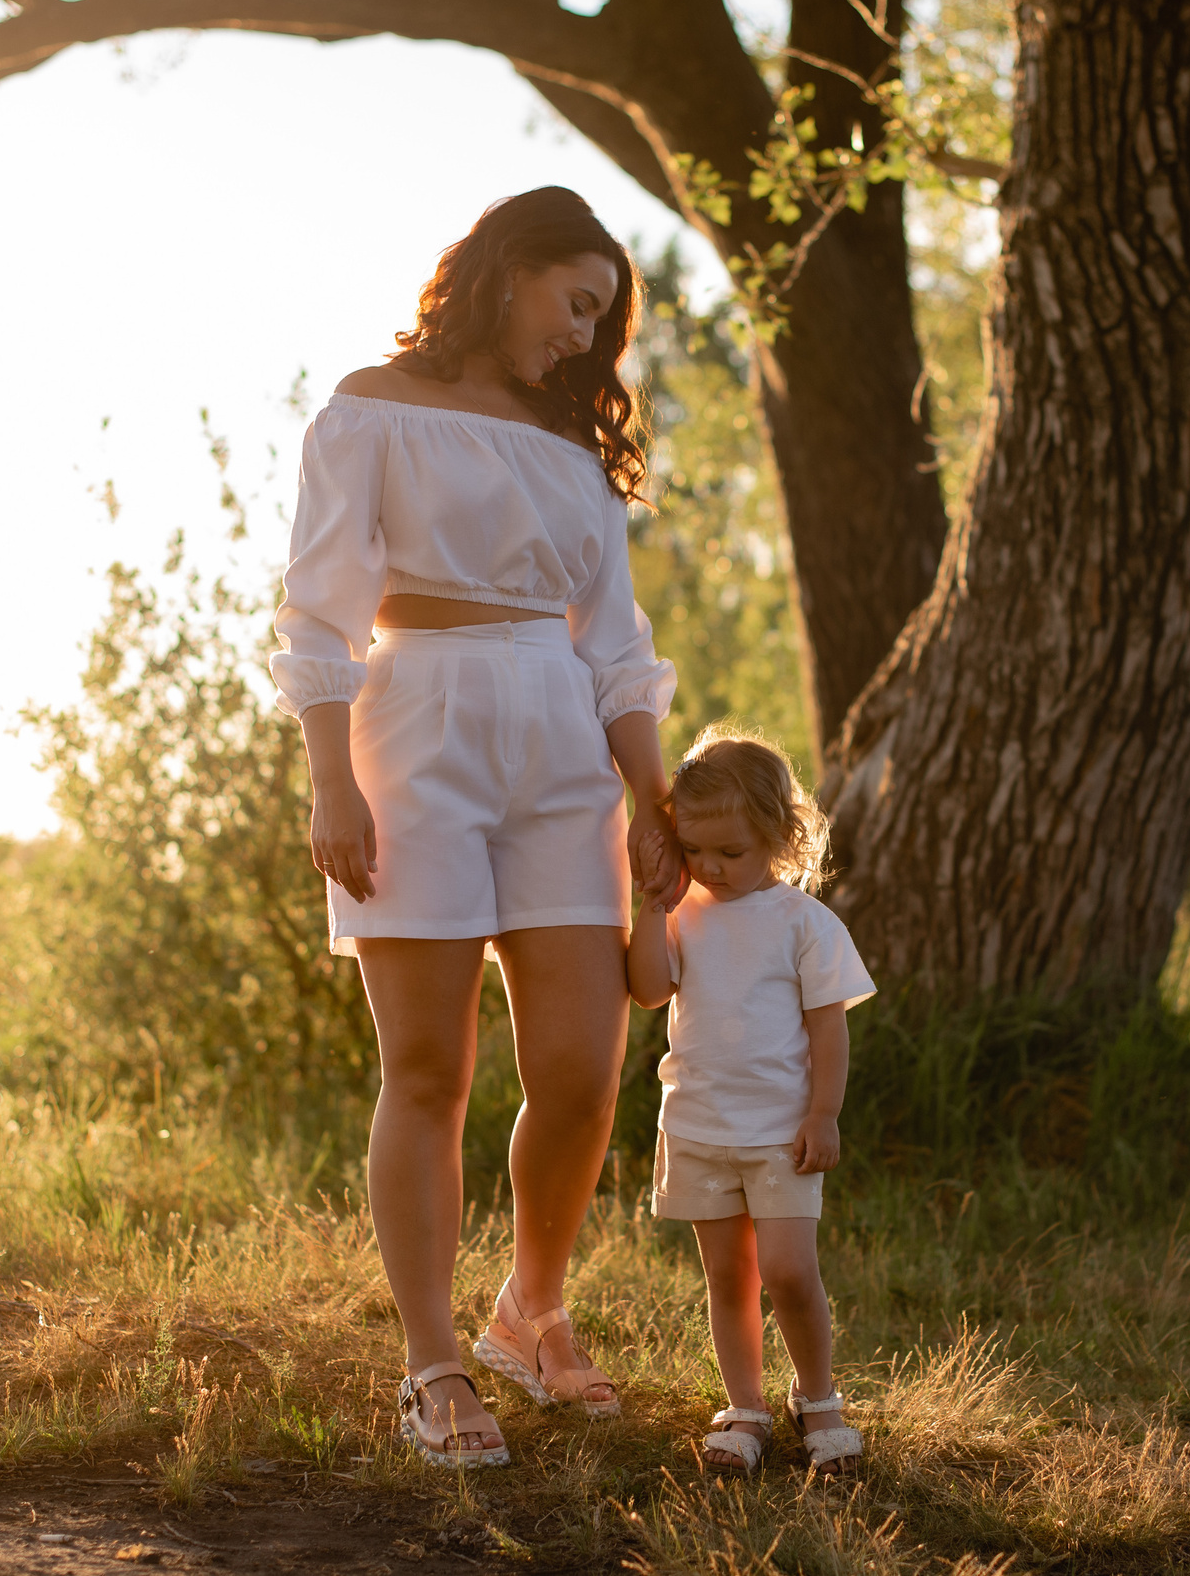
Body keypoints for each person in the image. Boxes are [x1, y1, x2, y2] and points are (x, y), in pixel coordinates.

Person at [270, 187, 684, 1469]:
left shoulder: (572, 449)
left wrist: (653, 801)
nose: (584, 339)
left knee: (579, 1070)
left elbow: (615, 645)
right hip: (416, 741)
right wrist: (331, 780)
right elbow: (321, 609)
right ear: (508, 272)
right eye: (576, 304)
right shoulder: (371, 406)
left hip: (562, 750)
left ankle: (531, 1306)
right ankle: (432, 1362)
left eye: (601, 321)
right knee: (430, 1072)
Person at [626, 727, 875, 1478]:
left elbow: (827, 1033)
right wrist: (648, 903)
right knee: (728, 1277)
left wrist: (823, 1113)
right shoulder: (684, 912)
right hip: (700, 1126)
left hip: (780, 1134)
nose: (712, 866)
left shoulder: (804, 924)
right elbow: (647, 988)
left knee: (791, 1270)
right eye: (696, 848)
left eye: (731, 851)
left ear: (778, 833)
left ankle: (818, 1396)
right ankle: (745, 1408)